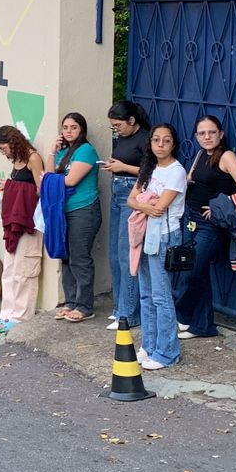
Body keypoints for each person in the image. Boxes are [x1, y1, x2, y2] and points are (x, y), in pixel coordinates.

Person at [171, 115, 236, 339]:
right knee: (192, 270)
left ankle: (183, 315)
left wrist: (220, 207)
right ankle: (202, 325)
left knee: (191, 271)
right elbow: (190, 180)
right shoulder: (201, 154)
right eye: (202, 133)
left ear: (221, 134)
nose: (207, 137)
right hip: (190, 218)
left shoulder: (227, 156)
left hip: (210, 224)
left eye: (211, 132)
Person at [128, 124, 188, 369]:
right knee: (146, 293)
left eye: (166, 140)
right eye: (156, 140)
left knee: (161, 296)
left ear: (173, 144)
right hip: (144, 234)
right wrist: (144, 203)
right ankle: (149, 345)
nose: (160, 145)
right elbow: (133, 200)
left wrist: (142, 203)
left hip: (163, 236)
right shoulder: (148, 169)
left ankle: (167, 351)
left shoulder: (176, 171)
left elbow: (159, 207)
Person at [101, 101, 151, 330]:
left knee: (126, 253)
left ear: (132, 121)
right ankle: (119, 307)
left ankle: (129, 313)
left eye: (119, 125)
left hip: (133, 191)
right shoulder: (123, 137)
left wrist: (123, 167)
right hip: (117, 190)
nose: (116, 129)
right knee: (114, 253)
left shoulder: (146, 138)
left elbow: (150, 170)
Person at [0, 125, 44, 334]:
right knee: (10, 269)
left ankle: (21, 315)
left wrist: (11, 186)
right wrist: (8, 185)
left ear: (13, 143)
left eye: (4, 148)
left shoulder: (33, 158)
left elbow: (40, 190)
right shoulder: (16, 160)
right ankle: (6, 312)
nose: (3, 153)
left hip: (29, 221)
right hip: (14, 221)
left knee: (24, 270)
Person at [50, 114, 102, 323]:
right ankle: (71, 301)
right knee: (65, 256)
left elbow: (70, 181)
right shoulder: (63, 151)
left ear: (82, 129)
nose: (69, 131)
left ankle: (85, 305)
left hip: (83, 209)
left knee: (80, 258)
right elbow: (47, 174)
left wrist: (52, 179)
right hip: (63, 210)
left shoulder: (86, 151)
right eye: (65, 127)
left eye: (73, 127)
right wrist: (52, 151)